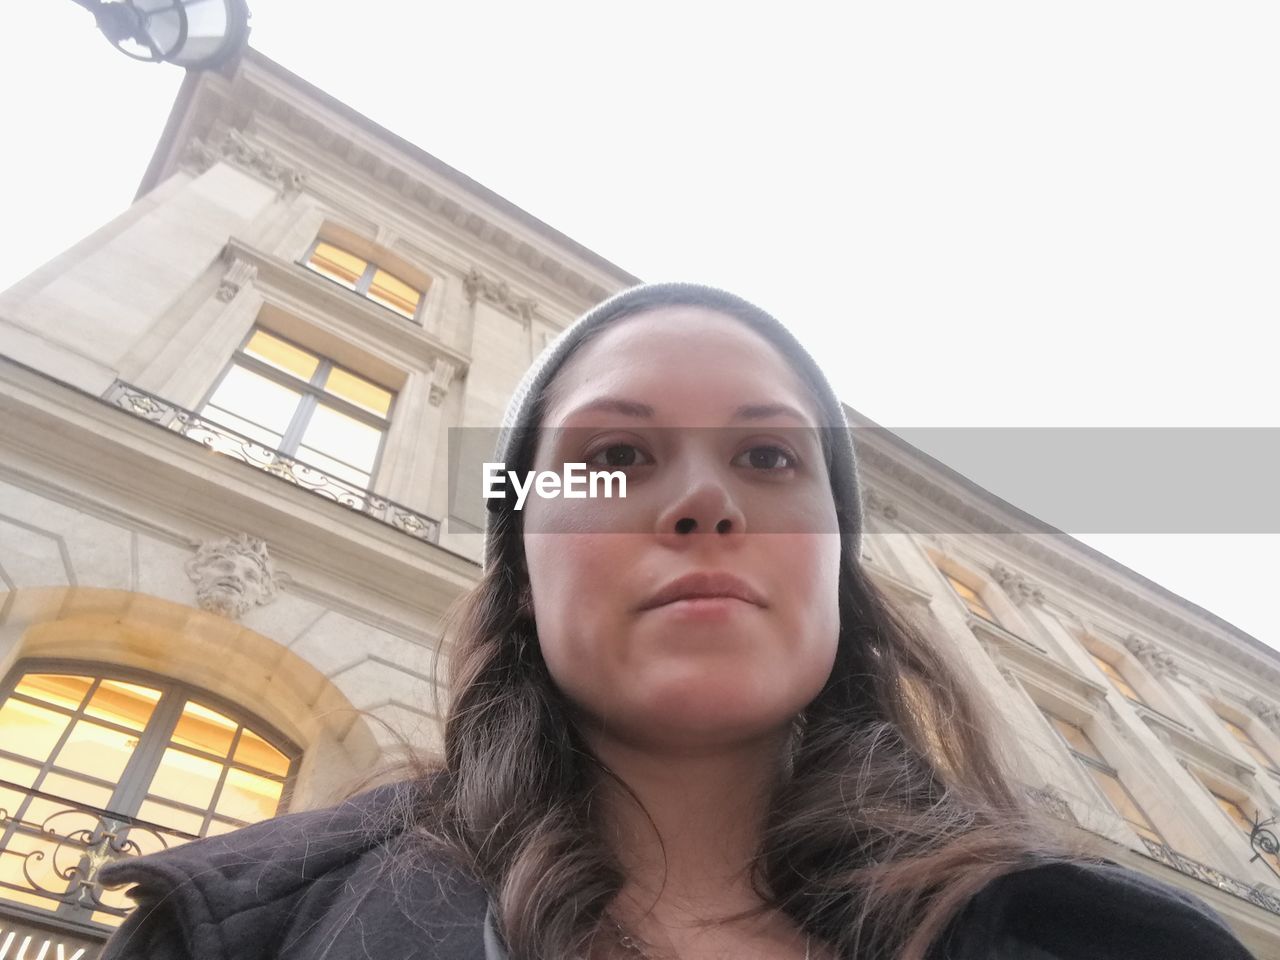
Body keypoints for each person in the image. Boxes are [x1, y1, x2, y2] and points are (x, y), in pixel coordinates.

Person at [98, 283, 1258, 960]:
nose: (703, 500)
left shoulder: (1104, 942)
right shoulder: (239, 933)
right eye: (613, 455)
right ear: (521, 566)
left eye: (766, 456)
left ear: (835, 573)